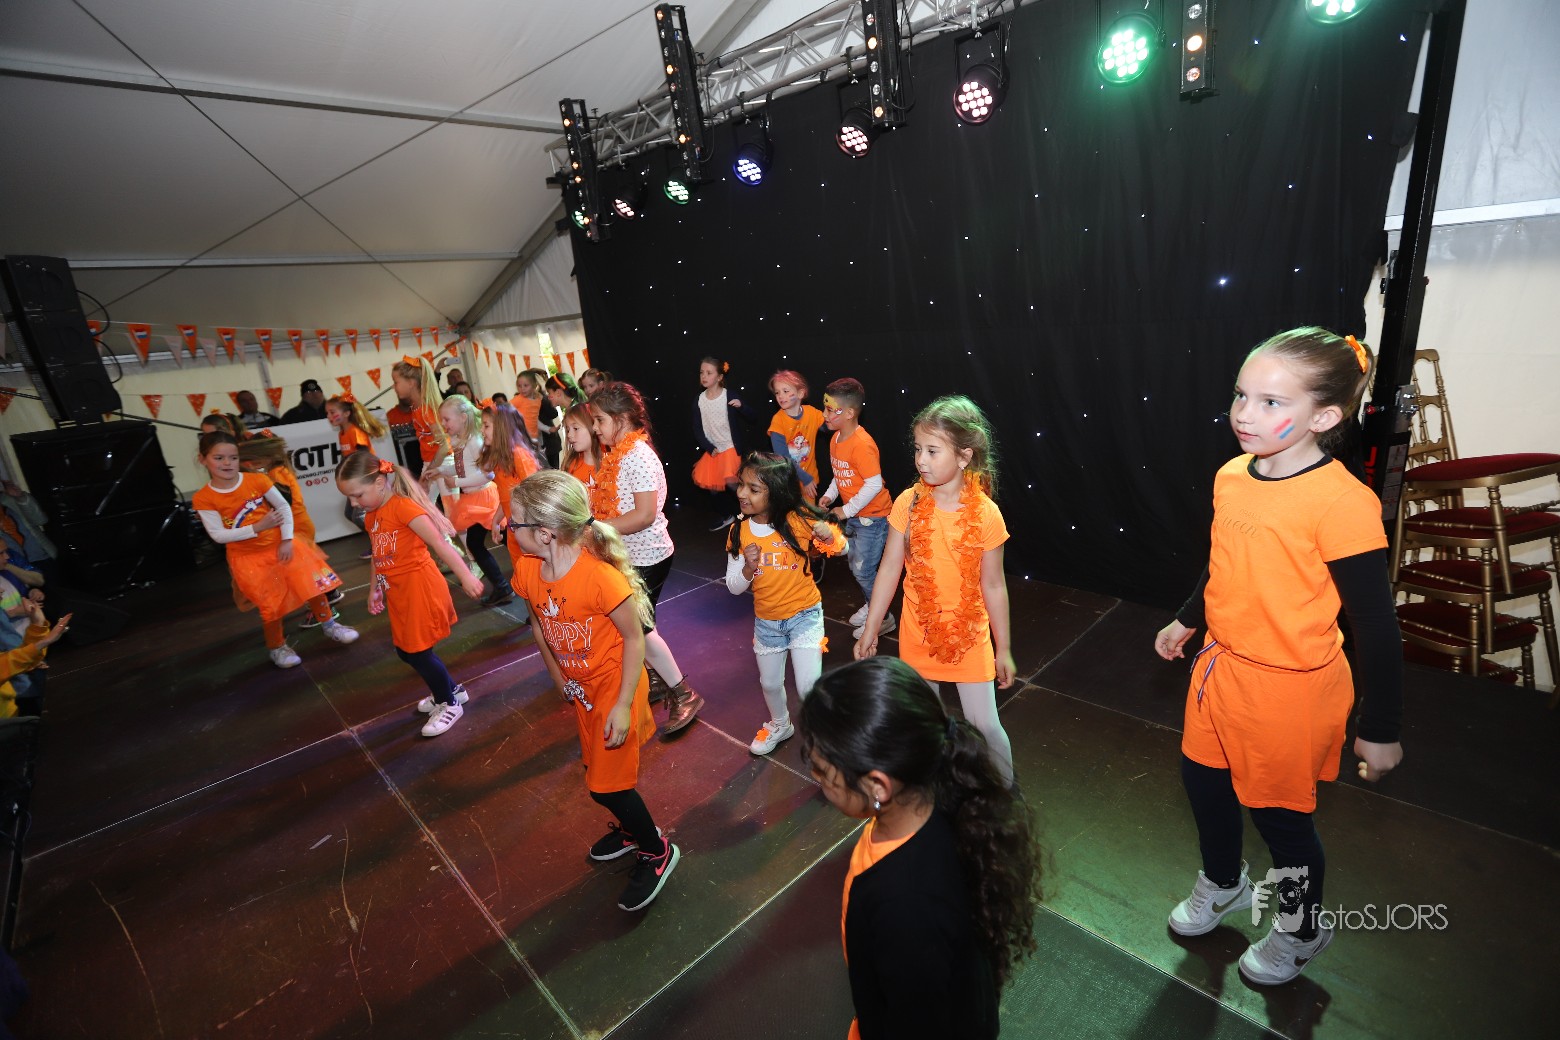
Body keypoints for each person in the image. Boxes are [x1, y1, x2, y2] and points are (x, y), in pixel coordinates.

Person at [1153, 327, 1403, 986]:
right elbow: (1226, 564)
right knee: (1204, 787)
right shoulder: (1233, 475)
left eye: (1270, 402)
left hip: (1289, 692)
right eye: (1242, 395)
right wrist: (1189, 618)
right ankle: (1224, 882)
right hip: (1220, 672)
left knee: (1281, 823)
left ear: (1324, 417)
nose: (1244, 413)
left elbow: (1376, 623)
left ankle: (1300, 928)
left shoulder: (1343, 502)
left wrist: (1380, 728)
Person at [800, 656, 1040, 1040]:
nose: (817, 779)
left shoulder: (906, 905)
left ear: (878, 786)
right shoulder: (936, 801)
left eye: (822, 771)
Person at [509, 470, 681, 911]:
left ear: (544, 533)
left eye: (514, 523)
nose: (508, 529)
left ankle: (656, 850)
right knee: (595, 770)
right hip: (582, 689)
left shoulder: (600, 578)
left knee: (606, 787)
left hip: (615, 688)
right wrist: (556, 674)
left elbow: (634, 639)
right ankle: (630, 830)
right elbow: (539, 625)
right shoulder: (528, 569)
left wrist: (623, 705)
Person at [854, 396, 1016, 785]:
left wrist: (1004, 648)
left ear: (963, 456)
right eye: (917, 449)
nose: (920, 460)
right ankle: (931, 789)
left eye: (932, 450)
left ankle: (1006, 791)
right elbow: (890, 568)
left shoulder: (987, 514)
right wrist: (872, 626)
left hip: (969, 637)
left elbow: (994, 584)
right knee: (923, 721)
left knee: (986, 726)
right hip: (918, 632)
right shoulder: (908, 504)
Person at [335, 451, 485, 737]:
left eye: (357, 495)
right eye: (350, 498)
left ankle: (449, 702)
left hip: (420, 589)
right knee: (407, 652)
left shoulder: (403, 508)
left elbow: (440, 544)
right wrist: (375, 588)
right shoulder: (372, 515)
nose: (354, 503)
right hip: (398, 592)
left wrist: (466, 575)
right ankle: (451, 690)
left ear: (379, 483)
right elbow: (379, 554)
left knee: (416, 652)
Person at [588, 381, 704, 731]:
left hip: (647, 556)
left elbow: (643, 515)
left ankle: (683, 693)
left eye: (599, 420)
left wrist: (595, 528)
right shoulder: (617, 453)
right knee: (635, 624)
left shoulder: (637, 456)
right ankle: (654, 679)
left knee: (638, 627)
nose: (595, 428)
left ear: (622, 418)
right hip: (630, 555)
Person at [192, 431, 358, 669]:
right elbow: (218, 535)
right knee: (271, 603)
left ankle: (330, 625)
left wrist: (287, 539)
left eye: (233, 457)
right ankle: (277, 646)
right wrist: (257, 527)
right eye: (219, 458)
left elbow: (283, 507)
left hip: (282, 545)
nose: (227, 463)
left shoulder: (256, 480)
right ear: (202, 459)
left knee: (312, 586)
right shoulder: (204, 498)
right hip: (248, 559)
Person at [724, 453, 846, 755]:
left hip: (804, 615)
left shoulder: (798, 521)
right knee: (769, 683)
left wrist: (828, 535)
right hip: (767, 622)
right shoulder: (739, 531)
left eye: (754, 489)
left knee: (808, 687)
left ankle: (825, 736)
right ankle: (781, 724)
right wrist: (748, 569)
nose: (742, 493)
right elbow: (734, 587)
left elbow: (843, 549)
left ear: (776, 492)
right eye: (742, 485)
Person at [818, 378, 895, 639]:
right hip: (855, 515)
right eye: (825, 408)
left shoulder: (862, 444)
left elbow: (873, 484)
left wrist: (846, 510)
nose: (824, 414)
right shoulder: (836, 438)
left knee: (864, 570)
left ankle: (882, 617)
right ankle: (873, 605)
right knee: (857, 567)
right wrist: (829, 495)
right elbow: (840, 474)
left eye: (830, 410)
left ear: (849, 413)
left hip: (873, 518)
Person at [428, 395, 510, 606]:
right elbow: (462, 467)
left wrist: (456, 481)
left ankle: (508, 583)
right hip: (473, 499)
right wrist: (440, 470)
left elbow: (487, 474)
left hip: (484, 498)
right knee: (478, 542)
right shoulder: (458, 441)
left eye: (447, 419)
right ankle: (502, 587)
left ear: (463, 418)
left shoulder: (475, 441)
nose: (443, 424)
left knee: (506, 539)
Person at [481, 401, 544, 617]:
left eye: (486, 426)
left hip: (527, 529)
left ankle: (543, 616)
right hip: (514, 529)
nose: (482, 431)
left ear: (501, 427)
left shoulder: (519, 455)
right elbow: (506, 497)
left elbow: (533, 494)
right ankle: (534, 616)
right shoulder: (501, 459)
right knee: (523, 578)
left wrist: (529, 531)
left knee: (535, 577)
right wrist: (496, 519)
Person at [691, 356, 758, 531]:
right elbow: (697, 428)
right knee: (713, 489)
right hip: (714, 450)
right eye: (702, 372)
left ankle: (751, 514)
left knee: (732, 483)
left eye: (709, 373)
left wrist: (741, 406)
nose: (704, 376)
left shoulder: (729, 396)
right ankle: (727, 516)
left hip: (729, 447)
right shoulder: (699, 400)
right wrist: (708, 446)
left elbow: (753, 416)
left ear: (720, 377)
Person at [326, 395, 389, 534]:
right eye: (327, 413)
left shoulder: (354, 432)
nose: (329, 416)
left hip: (367, 478)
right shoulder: (342, 433)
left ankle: (383, 537)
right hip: (358, 480)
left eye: (332, 412)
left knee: (358, 515)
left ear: (346, 413)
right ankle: (378, 538)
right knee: (350, 514)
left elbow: (364, 455)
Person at [391, 355, 450, 500]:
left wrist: (429, 473)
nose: (393, 387)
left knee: (449, 508)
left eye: (396, 382)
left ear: (411, 383)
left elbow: (445, 446)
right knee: (423, 504)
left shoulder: (426, 410)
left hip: (442, 462)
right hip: (432, 463)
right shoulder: (417, 408)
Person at [0, 598, 70, 718]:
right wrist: (42, 642)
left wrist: (38, 626)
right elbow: (7, 664)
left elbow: (20, 659)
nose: (1, 590)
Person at [767, 370, 826, 503]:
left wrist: (839, 412)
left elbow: (829, 426)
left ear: (800, 393)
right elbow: (783, 458)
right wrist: (806, 479)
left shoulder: (812, 413)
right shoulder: (778, 421)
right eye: (777, 392)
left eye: (785, 391)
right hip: (789, 485)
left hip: (809, 483)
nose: (781, 396)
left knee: (809, 514)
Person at [542, 373, 585, 468]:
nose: (548, 397)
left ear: (558, 393)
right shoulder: (572, 410)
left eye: (549, 393)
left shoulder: (576, 412)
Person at [561, 402, 599, 484]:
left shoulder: (611, 463)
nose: (569, 435)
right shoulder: (570, 465)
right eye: (568, 430)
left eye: (575, 428)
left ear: (593, 427)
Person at [513, 369, 546, 444]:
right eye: (519, 386)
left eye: (525, 385)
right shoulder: (518, 399)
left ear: (534, 385)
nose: (522, 389)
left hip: (535, 436)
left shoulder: (538, 399)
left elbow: (535, 418)